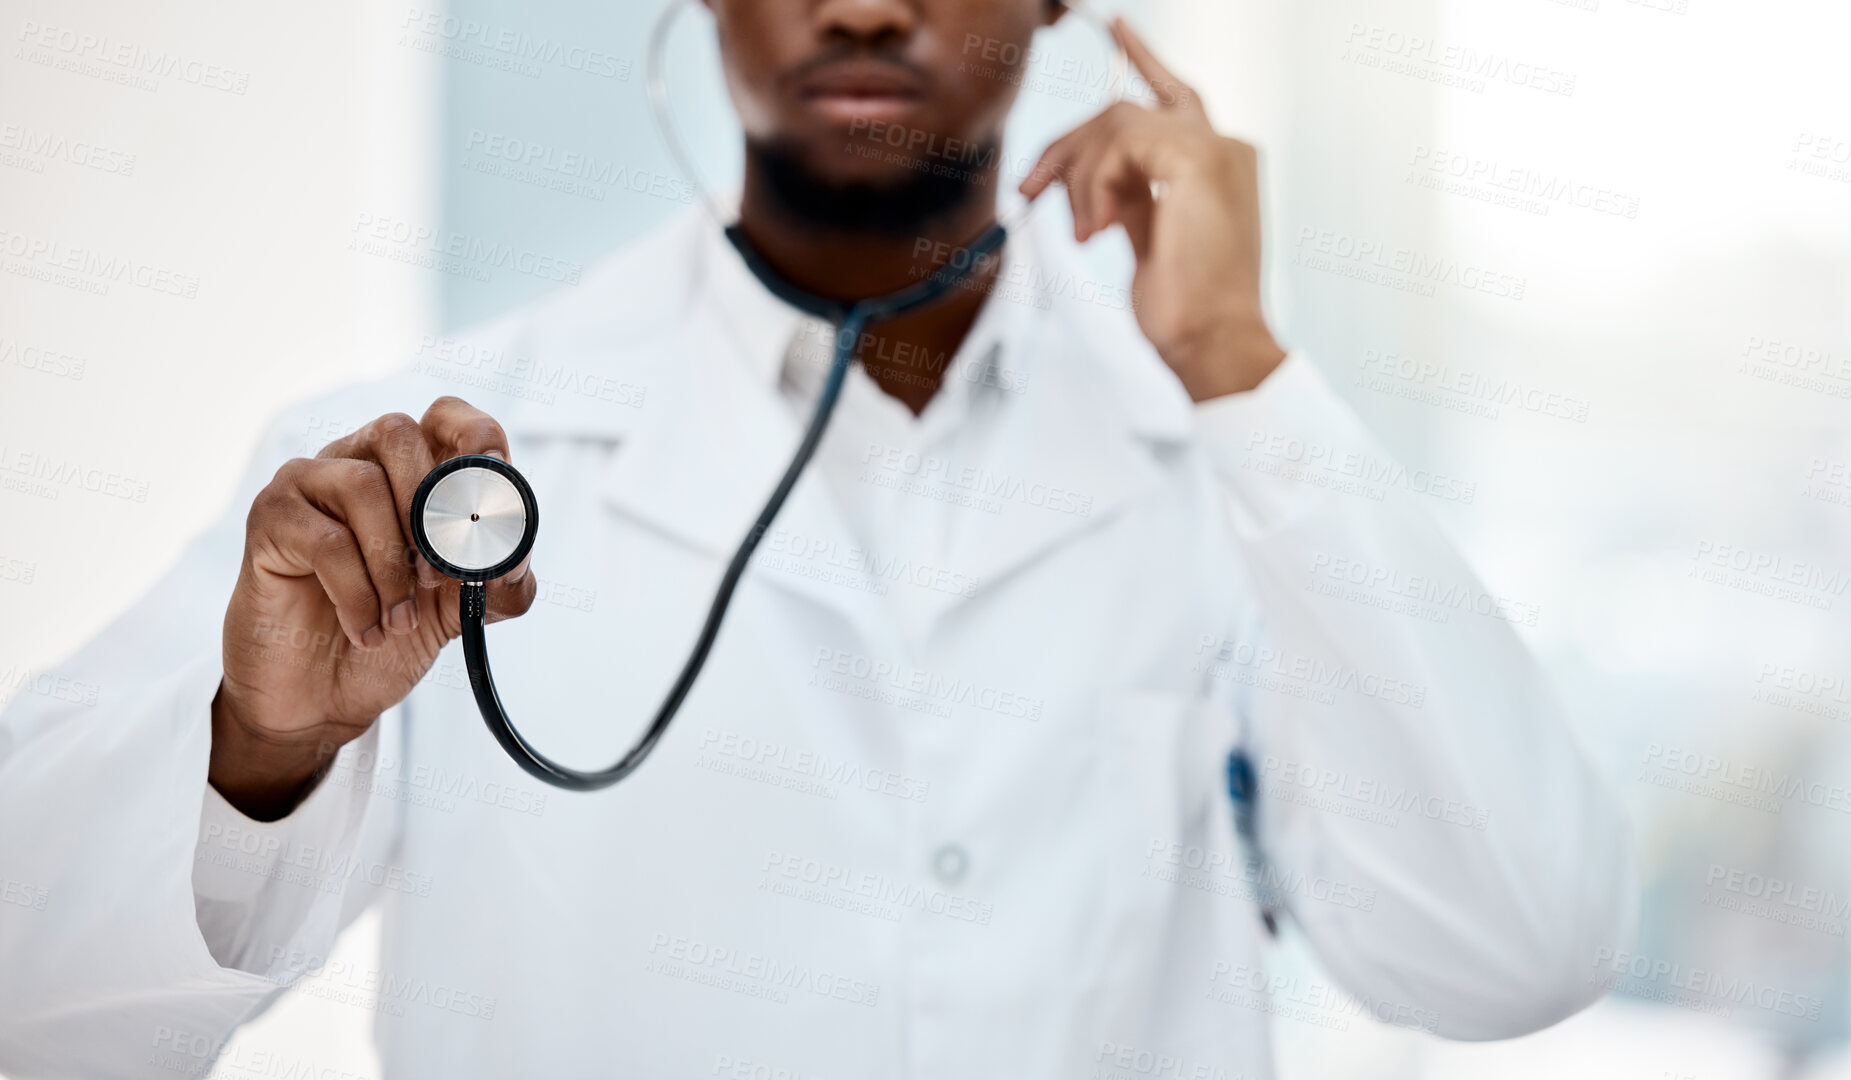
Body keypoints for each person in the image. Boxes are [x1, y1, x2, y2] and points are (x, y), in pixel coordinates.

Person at [0, 1, 1636, 1077]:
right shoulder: (425, 460)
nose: (860, 2)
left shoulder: (1221, 457)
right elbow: (35, 1005)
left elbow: (1520, 950)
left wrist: (1241, 375)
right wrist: (261, 748)